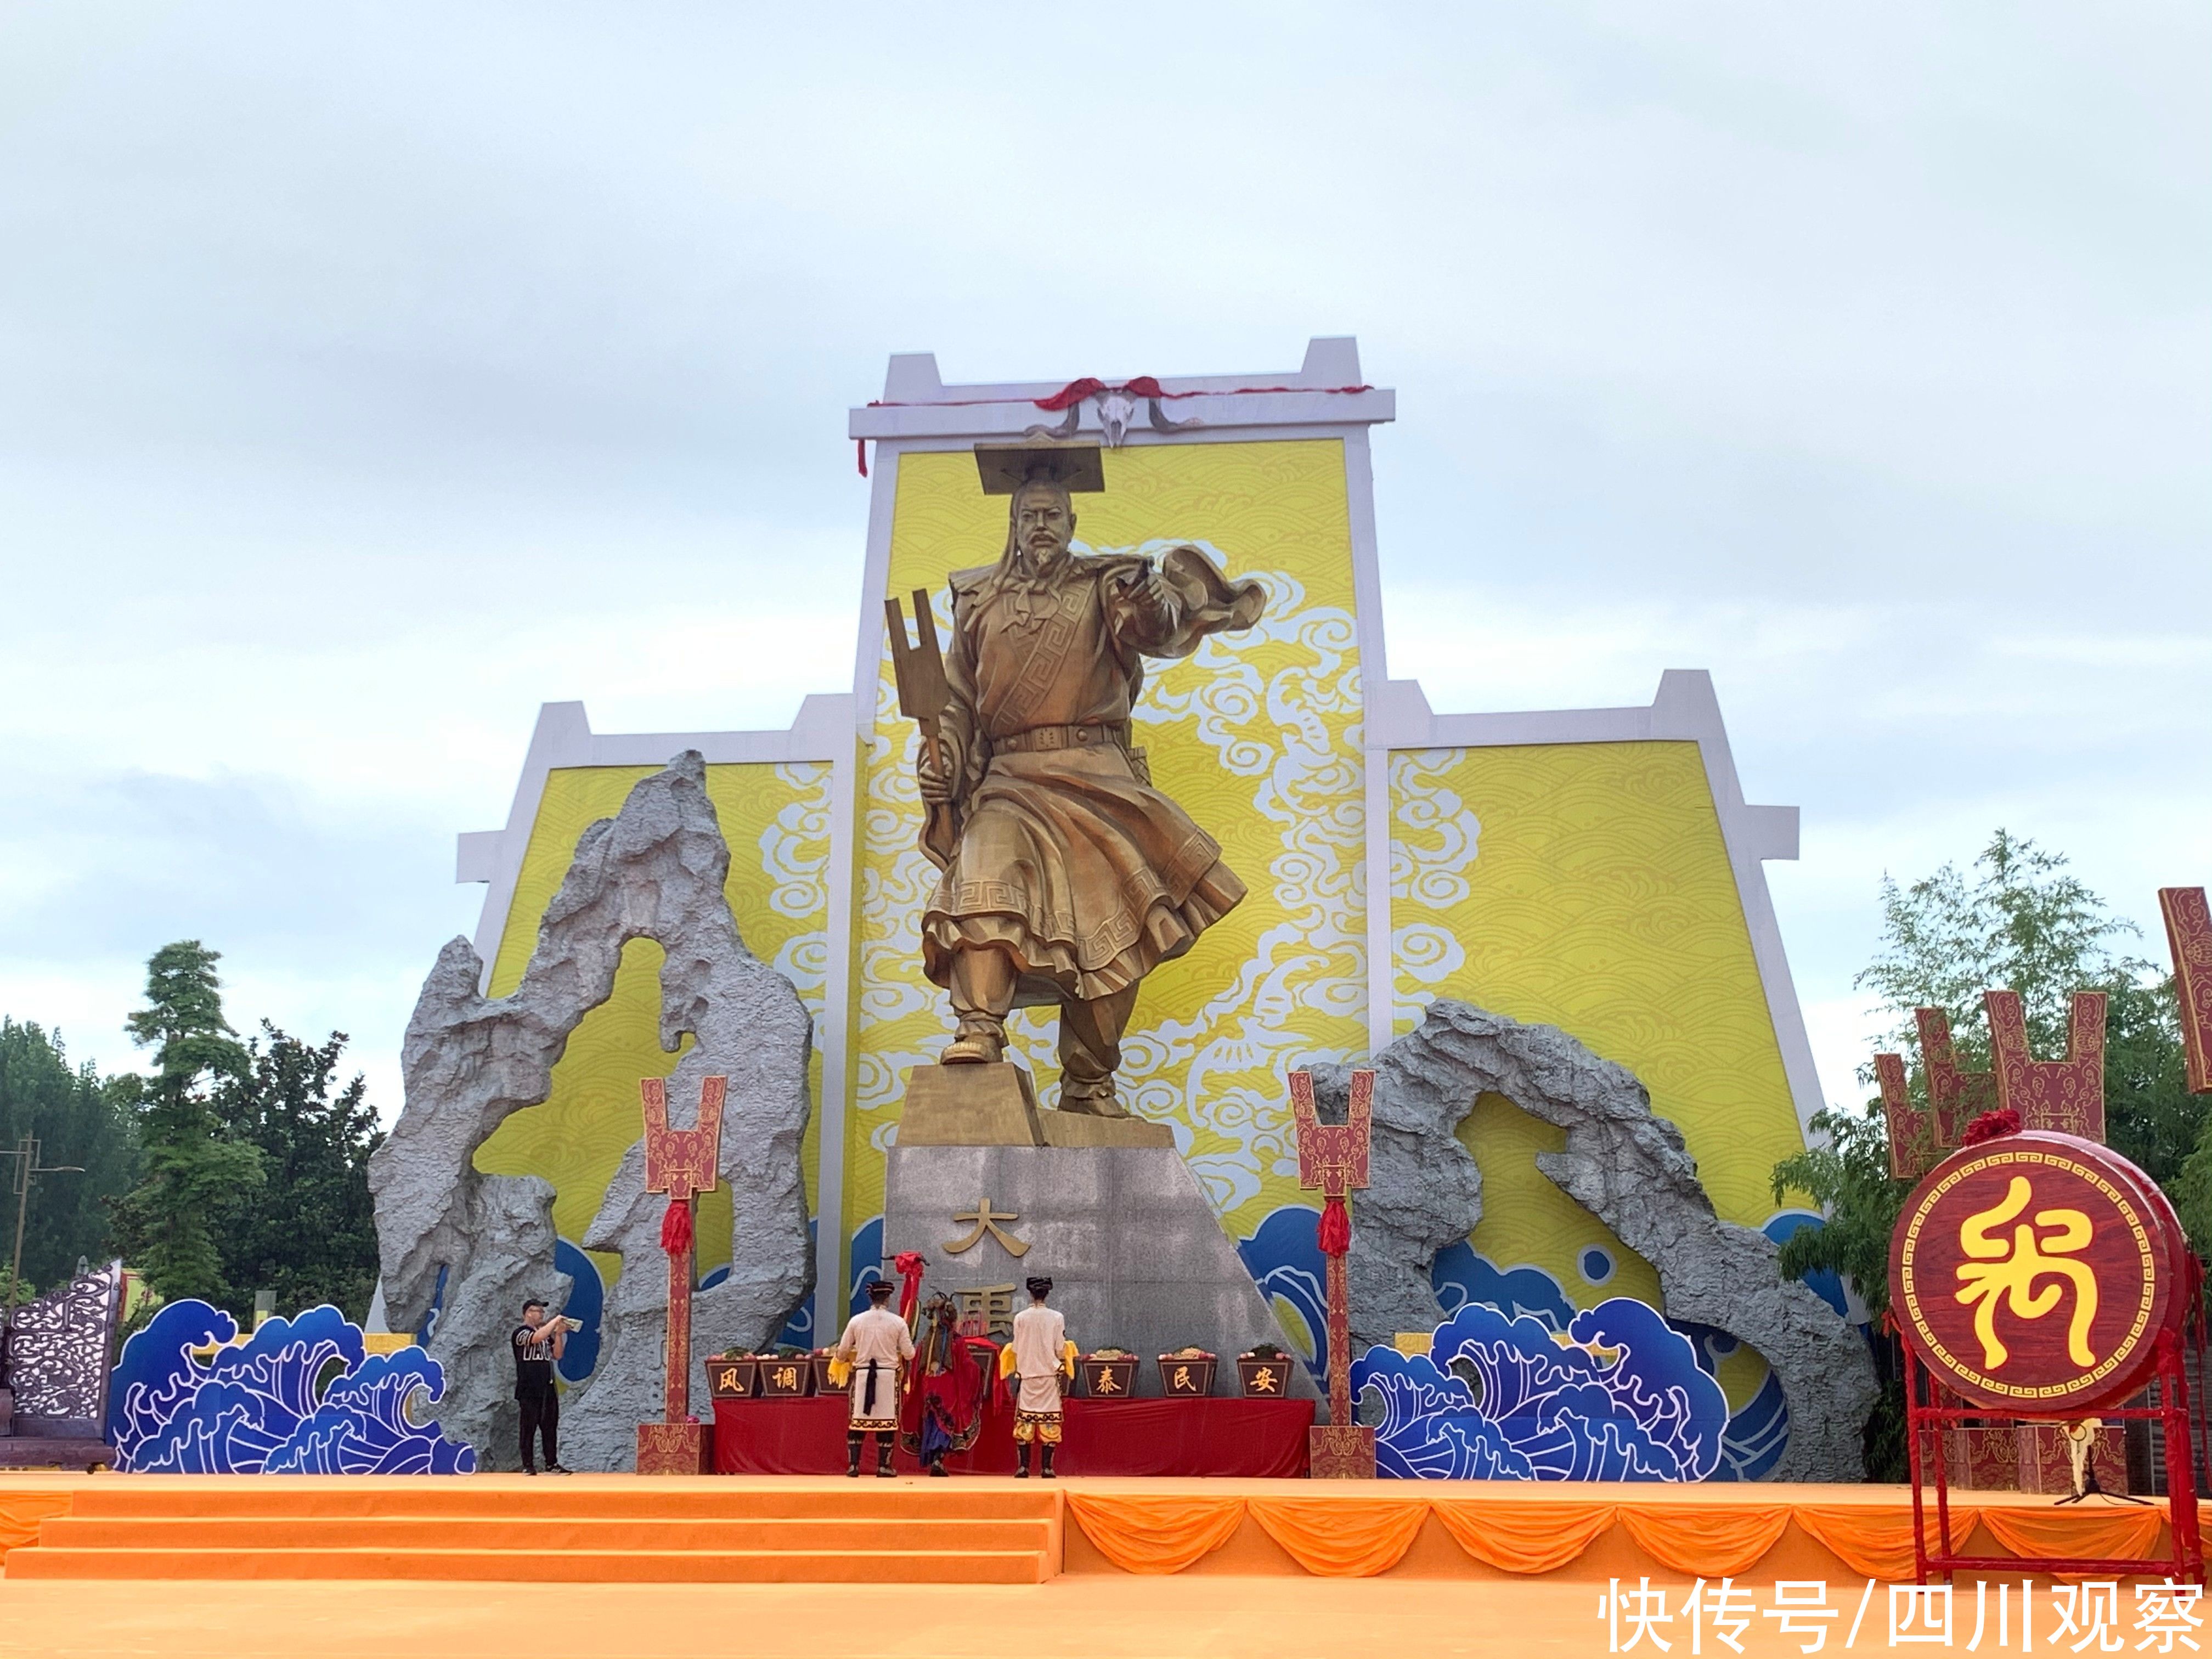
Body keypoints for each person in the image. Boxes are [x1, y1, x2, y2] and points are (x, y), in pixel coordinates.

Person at [914, 454, 1263, 1116]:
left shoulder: (1107, 585)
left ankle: (1088, 1082)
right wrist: (945, 760)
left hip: (1097, 774)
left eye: (1052, 515)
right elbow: (957, 699)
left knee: (1116, 930)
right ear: (1012, 525)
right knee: (983, 883)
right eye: (1028, 516)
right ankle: (980, 1031)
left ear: (1072, 523)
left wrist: (1151, 595)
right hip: (1009, 778)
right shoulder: (978, 599)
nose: (1040, 526)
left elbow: (1158, 634)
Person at [831, 1277, 915, 1479]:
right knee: (886, 1423)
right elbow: (910, 1353)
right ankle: (884, 1467)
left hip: (862, 1376)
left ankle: (853, 1466)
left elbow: (842, 1352)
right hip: (887, 1377)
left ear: (871, 1298)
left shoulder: (856, 1321)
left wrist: (845, 1357)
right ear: (887, 1299)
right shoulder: (898, 1322)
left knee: (858, 1422)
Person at [1000, 1275, 1075, 1478]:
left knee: (1025, 1421)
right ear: (1047, 1293)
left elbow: (1016, 1347)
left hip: (1027, 1376)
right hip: (1049, 1376)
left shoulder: (1021, 1318)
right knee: (1050, 1421)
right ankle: (1047, 1468)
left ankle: (1023, 1467)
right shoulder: (1057, 1317)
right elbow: (1060, 1348)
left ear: (1030, 1294)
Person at [511, 1298, 571, 1475]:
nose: (541, 1315)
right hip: (530, 1387)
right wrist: (554, 1322)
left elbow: (557, 1355)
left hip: (547, 1386)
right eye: (538, 1311)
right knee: (528, 1427)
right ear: (528, 1313)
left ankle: (552, 1463)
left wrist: (558, 1334)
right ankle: (527, 1464)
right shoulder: (520, 1333)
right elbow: (536, 1337)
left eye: (543, 1313)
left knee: (550, 1426)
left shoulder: (545, 1336)